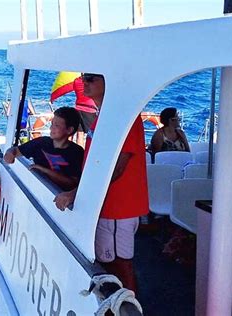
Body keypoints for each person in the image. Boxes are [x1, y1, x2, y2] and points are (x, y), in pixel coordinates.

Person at [54, 73, 149, 293]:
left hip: (119, 207)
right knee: (108, 264)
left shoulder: (124, 118)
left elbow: (117, 168)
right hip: (105, 206)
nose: (84, 83)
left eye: (91, 79)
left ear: (110, 81)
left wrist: (75, 193)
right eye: (83, 78)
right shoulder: (102, 117)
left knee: (120, 265)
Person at [4, 106, 84, 191]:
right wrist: (10, 153)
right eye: (52, 124)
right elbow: (16, 150)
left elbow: (73, 183)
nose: (51, 128)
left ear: (69, 130)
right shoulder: (41, 142)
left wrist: (44, 170)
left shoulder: (76, 152)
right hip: (39, 190)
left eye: (56, 125)